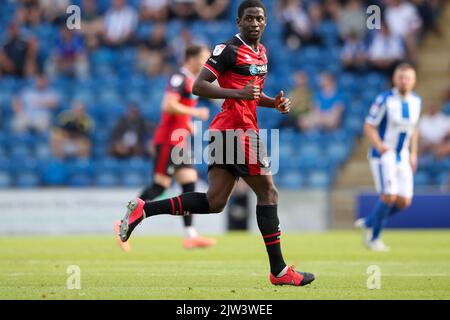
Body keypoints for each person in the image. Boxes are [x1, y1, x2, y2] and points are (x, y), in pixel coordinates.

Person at [118, 0, 315, 287]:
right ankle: (279, 270)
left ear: (266, 22)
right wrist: (237, 94)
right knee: (269, 193)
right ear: (238, 22)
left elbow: (250, 93)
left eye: (259, 18)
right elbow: (200, 85)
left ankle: (143, 209)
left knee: (214, 202)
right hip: (238, 132)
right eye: (248, 18)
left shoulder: (261, 52)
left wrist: (272, 103)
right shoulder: (228, 50)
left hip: (230, 131)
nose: (255, 23)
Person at [114, 44, 214, 252]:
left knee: (189, 182)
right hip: (169, 141)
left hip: (179, 140)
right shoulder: (179, 77)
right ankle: (123, 220)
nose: (207, 62)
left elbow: (177, 110)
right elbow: (168, 104)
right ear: (191, 58)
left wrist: (186, 122)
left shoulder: (191, 80)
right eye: (204, 57)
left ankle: (190, 235)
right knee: (160, 186)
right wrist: (195, 115)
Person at [355, 63, 421, 251]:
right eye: (401, 77)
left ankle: (369, 221)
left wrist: (414, 153)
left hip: (404, 155)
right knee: (389, 196)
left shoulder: (416, 101)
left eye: (408, 78)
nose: (404, 81)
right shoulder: (384, 99)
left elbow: (414, 129)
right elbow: (369, 125)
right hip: (385, 155)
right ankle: (374, 238)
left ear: (414, 80)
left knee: (404, 201)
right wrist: (380, 146)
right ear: (394, 79)